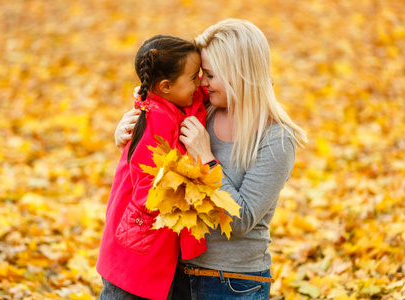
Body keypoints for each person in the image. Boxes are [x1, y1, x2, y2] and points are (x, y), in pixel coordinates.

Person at [114, 19, 308, 299]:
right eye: (200, 74)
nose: (202, 82)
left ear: (240, 75)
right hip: (176, 275)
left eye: (210, 75)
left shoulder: (276, 138)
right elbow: (158, 110)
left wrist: (206, 157)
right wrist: (127, 127)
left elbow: (242, 219)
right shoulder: (202, 109)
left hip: (234, 283)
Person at [96, 35, 209, 300]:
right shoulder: (156, 118)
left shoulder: (171, 104)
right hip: (136, 249)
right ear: (166, 86)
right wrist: (188, 189)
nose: (201, 83)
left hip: (152, 250)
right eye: (195, 77)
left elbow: (198, 97)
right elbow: (149, 189)